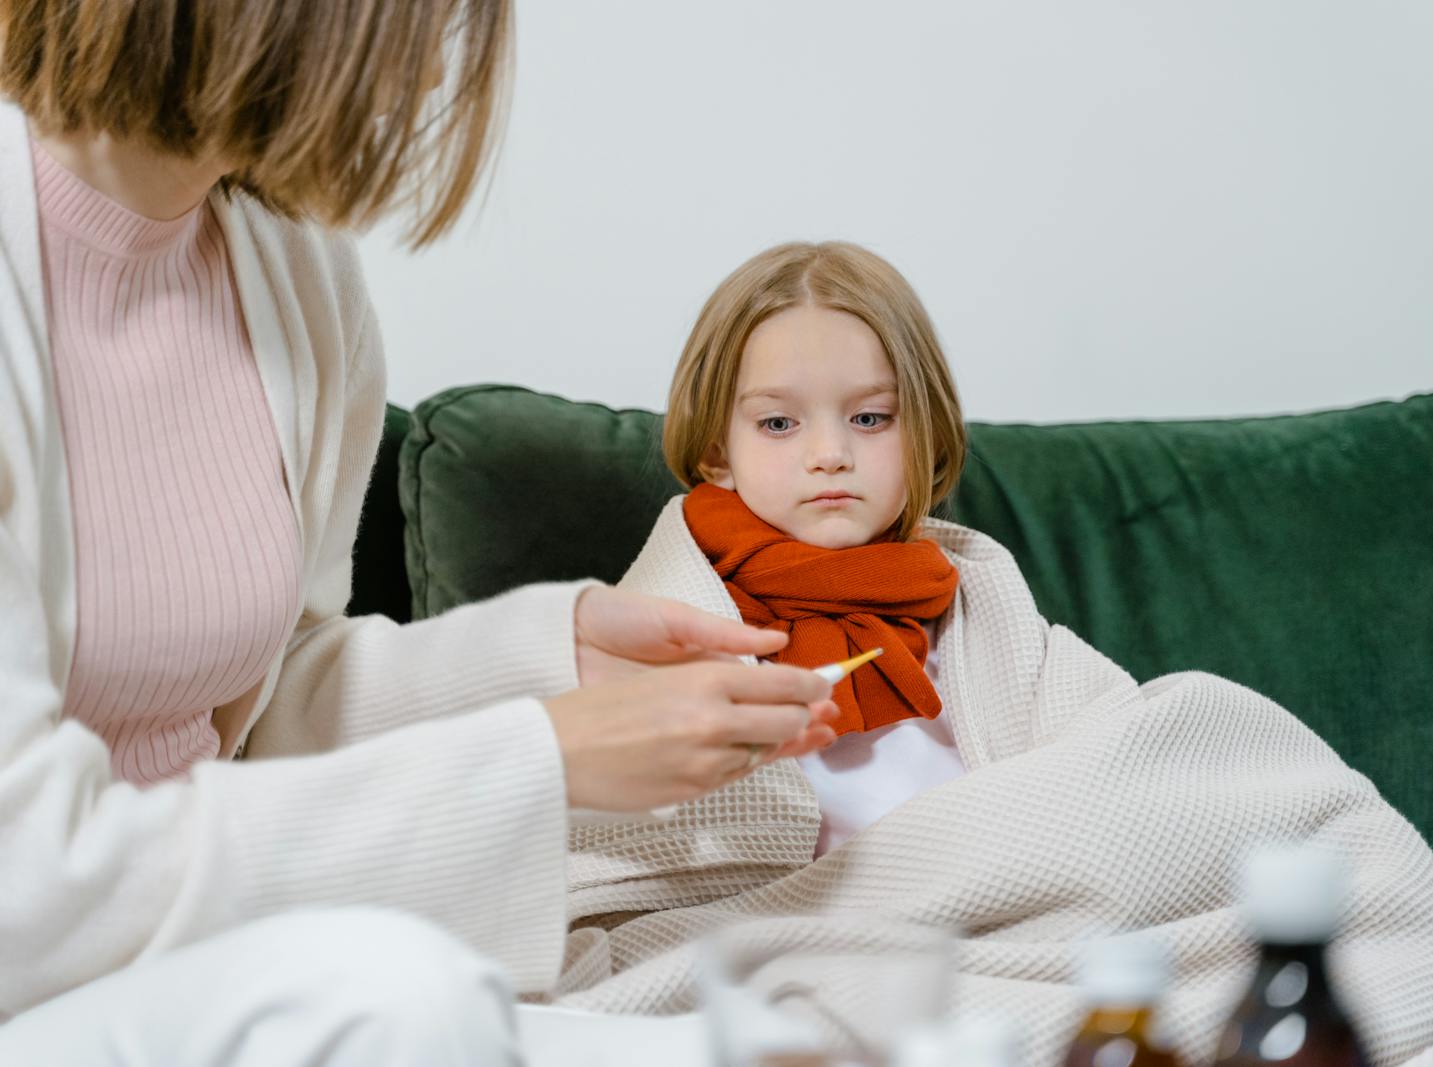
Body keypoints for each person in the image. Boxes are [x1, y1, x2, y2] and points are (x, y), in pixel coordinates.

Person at [0, 3, 837, 1064]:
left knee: (769, 1042)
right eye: (418, 26)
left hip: (186, 964)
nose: (436, 83)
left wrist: (550, 667)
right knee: (401, 996)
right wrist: (537, 758)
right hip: (37, 974)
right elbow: (24, 884)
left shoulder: (292, 269)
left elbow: (260, 705)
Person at [557, 242, 1433, 1067]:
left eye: (871, 420)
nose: (830, 454)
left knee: (1322, 872)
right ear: (717, 450)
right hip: (821, 955)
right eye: (780, 424)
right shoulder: (651, 638)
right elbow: (608, 873)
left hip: (1017, 941)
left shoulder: (978, 608)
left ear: (925, 433)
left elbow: (1126, 780)